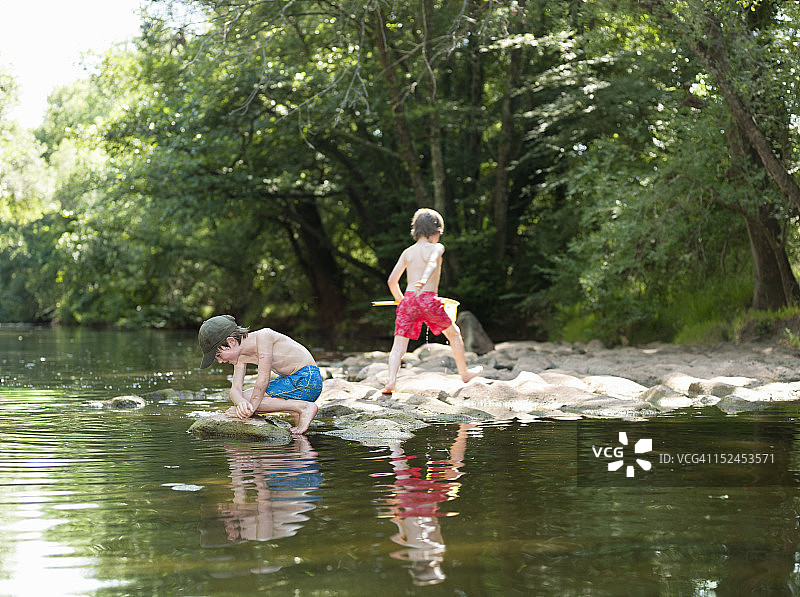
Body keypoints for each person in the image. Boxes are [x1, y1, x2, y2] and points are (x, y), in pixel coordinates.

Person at [382, 208, 482, 394]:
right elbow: (432, 263)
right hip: (428, 300)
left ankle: (390, 381)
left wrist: (401, 300)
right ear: (436, 231)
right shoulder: (437, 247)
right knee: (454, 334)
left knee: (398, 346)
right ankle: (464, 373)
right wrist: (424, 279)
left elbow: (391, 281)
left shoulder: (407, 252)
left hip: (409, 301)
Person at [198, 314, 321, 434]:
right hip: (293, 382)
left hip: (307, 379)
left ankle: (304, 407)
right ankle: (298, 413)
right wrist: (240, 403)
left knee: (249, 400)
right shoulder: (240, 357)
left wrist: (248, 411)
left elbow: (263, 380)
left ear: (231, 342)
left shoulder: (264, 337)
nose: (220, 361)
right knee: (245, 399)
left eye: (218, 355)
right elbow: (235, 389)